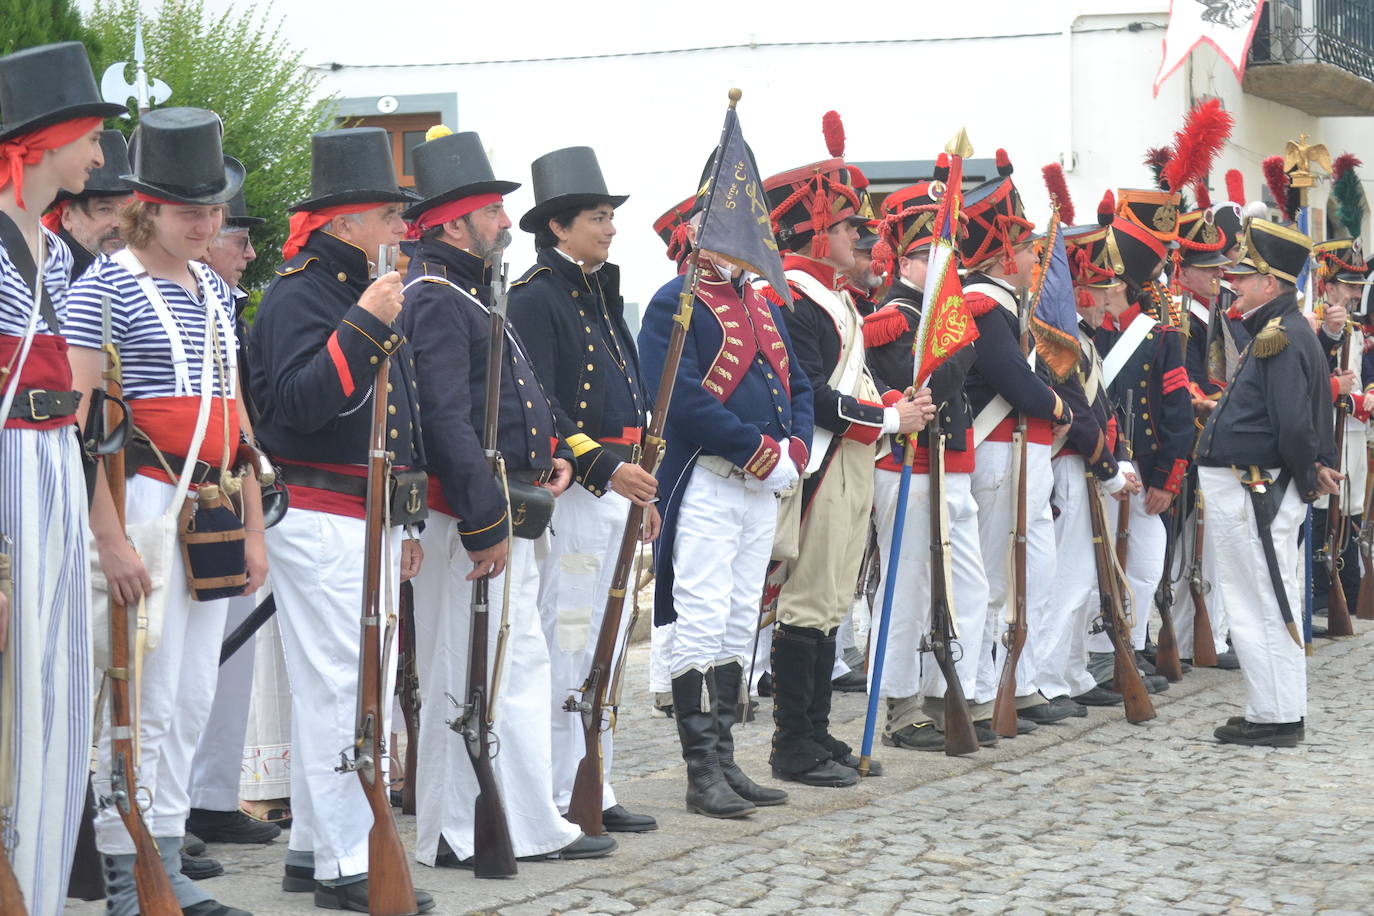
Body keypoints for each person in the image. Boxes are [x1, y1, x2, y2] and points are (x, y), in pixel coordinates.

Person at [67, 105, 264, 916]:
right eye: (192, 212)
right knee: (137, 695)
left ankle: (170, 851)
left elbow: (238, 414)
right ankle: (126, 867)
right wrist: (107, 538)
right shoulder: (101, 289)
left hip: (211, 505)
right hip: (143, 499)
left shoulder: (216, 290)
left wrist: (253, 523)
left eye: (214, 209)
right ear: (147, 206)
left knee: (187, 696)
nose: (208, 224)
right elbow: (79, 428)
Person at [398, 127, 613, 867]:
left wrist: (548, 455)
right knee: (468, 669)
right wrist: (486, 517)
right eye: (490, 211)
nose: (500, 223)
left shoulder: (467, 290)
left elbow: (513, 401)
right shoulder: (433, 297)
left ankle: (521, 823)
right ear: (454, 222)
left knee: (510, 670)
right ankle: (458, 833)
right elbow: (446, 420)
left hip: (499, 505)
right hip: (467, 518)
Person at [248, 127, 433, 912]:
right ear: (346, 223)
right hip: (320, 511)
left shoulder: (364, 291)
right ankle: (344, 863)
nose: (401, 231)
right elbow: (291, 405)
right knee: (342, 689)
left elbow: (402, 417)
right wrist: (361, 323)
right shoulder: (301, 295)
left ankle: (307, 851)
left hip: (367, 517)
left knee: (357, 680)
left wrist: (408, 519)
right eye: (389, 216)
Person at [759, 124, 932, 788]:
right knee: (808, 602)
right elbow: (812, 399)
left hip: (852, 464)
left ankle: (815, 730)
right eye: (846, 228)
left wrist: (894, 404)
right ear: (810, 235)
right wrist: (892, 415)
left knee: (831, 601)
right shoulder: (796, 300)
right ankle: (791, 743)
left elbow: (847, 387)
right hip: (823, 467)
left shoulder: (833, 300)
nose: (862, 239)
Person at [639, 159, 813, 815]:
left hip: (760, 486)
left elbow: (793, 385)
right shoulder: (673, 302)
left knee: (741, 620)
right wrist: (757, 450)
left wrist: (794, 445)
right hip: (710, 482)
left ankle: (727, 758)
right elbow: (678, 400)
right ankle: (699, 771)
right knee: (703, 619)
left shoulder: (761, 303)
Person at [0, 40, 122, 915]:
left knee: (56, 681)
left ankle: (38, 889)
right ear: (47, 140)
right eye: (91, 137)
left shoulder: (48, 243)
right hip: (8, 463)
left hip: (52, 463)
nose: (101, 157)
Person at [507, 146, 658, 833]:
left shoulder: (599, 291)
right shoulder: (536, 296)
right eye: (599, 217)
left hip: (620, 491)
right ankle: (566, 786)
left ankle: (596, 777)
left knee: (607, 637)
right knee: (570, 636)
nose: (611, 228)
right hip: (576, 493)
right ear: (560, 226)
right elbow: (537, 399)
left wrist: (639, 491)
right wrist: (602, 468)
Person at [1196, 216, 1338, 747]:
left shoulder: (1279, 336)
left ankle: (1275, 717)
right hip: (1256, 486)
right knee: (1263, 595)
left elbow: (1294, 424)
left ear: (1271, 284)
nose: (1234, 282)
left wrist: (1305, 474)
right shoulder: (1283, 332)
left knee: (1261, 598)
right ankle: (1272, 707)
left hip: (1256, 488)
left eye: (1245, 275)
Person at [861, 175, 992, 751]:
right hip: (907, 467)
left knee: (969, 588)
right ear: (907, 262)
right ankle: (899, 702)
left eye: (949, 257)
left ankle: (948, 694)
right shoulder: (893, 319)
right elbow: (928, 388)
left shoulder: (946, 316)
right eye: (932, 257)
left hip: (954, 465)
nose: (948, 268)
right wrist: (955, 337)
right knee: (908, 586)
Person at [184, 185, 284, 857]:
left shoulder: (229, 306)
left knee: (230, 656)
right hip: (184, 483)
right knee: (186, 662)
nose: (247, 252)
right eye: (237, 236)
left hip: (235, 482)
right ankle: (177, 806)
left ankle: (213, 798)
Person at [960, 150, 1074, 730]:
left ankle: (1015, 679)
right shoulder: (983, 305)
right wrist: (1057, 407)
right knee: (993, 576)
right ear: (1006, 255)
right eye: (1028, 248)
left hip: (1018, 453)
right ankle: (982, 687)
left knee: (1024, 574)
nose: (1035, 258)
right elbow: (1013, 382)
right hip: (997, 452)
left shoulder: (1002, 306)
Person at [1087, 216, 1192, 693]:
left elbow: (1175, 414)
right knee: (1093, 569)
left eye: (1105, 284)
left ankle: (1127, 644)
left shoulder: (1163, 338)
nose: (1097, 292)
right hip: (1094, 468)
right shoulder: (1089, 334)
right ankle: (1101, 655)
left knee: (1145, 567)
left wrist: (1167, 479)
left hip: (1145, 472)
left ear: (1123, 288)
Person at [1309, 237, 1371, 618]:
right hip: (1328, 428)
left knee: (1351, 508)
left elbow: (1361, 379)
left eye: (1355, 287)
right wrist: (1348, 397)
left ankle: (1348, 586)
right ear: (1328, 286)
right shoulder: (1314, 325)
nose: (1353, 294)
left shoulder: (1357, 327)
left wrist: (1363, 399)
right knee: (1323, 506)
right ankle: (1321, 589)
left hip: (1354, 431)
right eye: (1347, 286)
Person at [42, 128, 132, 281]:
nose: (118, 223)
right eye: (104, 209)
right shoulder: (49, 274)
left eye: (125, 211)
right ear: (68, 218)